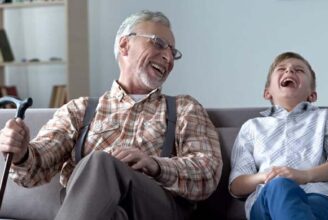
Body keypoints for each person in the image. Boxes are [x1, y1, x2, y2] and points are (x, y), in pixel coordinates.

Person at [0, 10, 222, 220]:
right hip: (94, 211)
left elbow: (208, 172)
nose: (168, 58)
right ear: (125, 45)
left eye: (172, 52)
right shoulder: (80, 109)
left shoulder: (185, 108)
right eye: (159, 43)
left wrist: (154, 164)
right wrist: (20, 153)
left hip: (154, 208)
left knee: (102, 161)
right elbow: (34, 170)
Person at [229, 52, 328, 220]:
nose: (289, 72)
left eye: (299, 70)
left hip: (319, 197)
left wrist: (303, 175)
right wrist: (269, 176)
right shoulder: (251, 127)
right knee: (279, 185)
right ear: (267, 93)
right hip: (267, 200)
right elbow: (237, 185)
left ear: (312, 95)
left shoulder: (326, 117)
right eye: (282, 69)